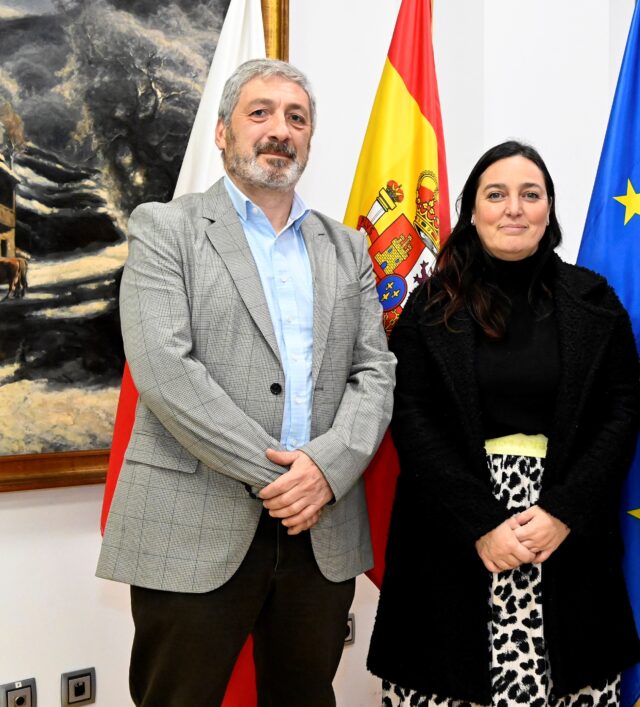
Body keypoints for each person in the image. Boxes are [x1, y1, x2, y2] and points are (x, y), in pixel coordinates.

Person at [96, 59, 395, 706]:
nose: (280, 130)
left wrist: (326, 470)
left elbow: (375, 371)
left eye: (297, 118)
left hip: (319, 532)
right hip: (193, 522)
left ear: (309, 139)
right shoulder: (165, 228)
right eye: (260, 113)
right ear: (223, 132)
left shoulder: (348, 248)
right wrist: (287, 479)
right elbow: (166, 371)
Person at [367, 140, 640, 706]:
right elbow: (412, 419)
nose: (514, 208)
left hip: (566, 534)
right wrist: (480, 522)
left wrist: (563, 511)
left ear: (549, 209)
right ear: (472, 209)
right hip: (451, 535)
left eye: (530, 194)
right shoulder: (429, 306)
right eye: (496, 195)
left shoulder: (594, 301)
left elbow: (621, 412)